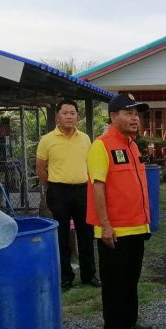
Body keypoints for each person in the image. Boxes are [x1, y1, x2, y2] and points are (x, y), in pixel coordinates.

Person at [86, 93, 154, 329]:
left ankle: (129, 320)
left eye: (136, 113)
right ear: (113, 116)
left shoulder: (132, 144)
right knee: (114, 281)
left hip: (137, 225)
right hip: (114, 229)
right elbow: (98, 187)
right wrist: (105, 225)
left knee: (131, 278)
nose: (135, 118)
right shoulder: (101, 146)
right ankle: (113, 328)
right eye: (128, 113)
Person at [36, 99, 100, 292]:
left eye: (73, 113)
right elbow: (40, 169)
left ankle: (89, 275)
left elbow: (90, 164)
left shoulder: (85, 138)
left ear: (77, 116)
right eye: (65, 113)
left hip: (82, 190)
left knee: (86, 234)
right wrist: (51, 186)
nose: (69, 116)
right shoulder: (47, 140)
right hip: (58, 191)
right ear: (57, 116)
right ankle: (66, 277)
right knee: (62, 236)